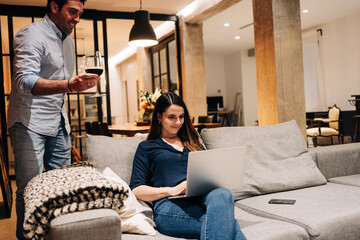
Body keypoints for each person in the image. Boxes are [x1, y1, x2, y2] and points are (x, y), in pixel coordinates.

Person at [7, 0, 99, 239]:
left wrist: (75, 85)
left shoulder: (67, 41)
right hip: (29, 122)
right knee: (30, 188)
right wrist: (69, 85)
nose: (77, 18)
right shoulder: (31, 34)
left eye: (80, 13)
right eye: (72, 11)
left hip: (59, 121)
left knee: (61, 187)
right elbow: (24, 81)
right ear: (54, 7)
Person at [130, 92, 247, 240]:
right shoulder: (147, 147)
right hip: (168, 204)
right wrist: (172, 190)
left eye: (181, 117)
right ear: (159, 117)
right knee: (225, 223)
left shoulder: (192, 142)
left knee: (224, 194)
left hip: (200, 197)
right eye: (171, 117)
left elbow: (209, 171)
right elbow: (136, 189)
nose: (178, 122)